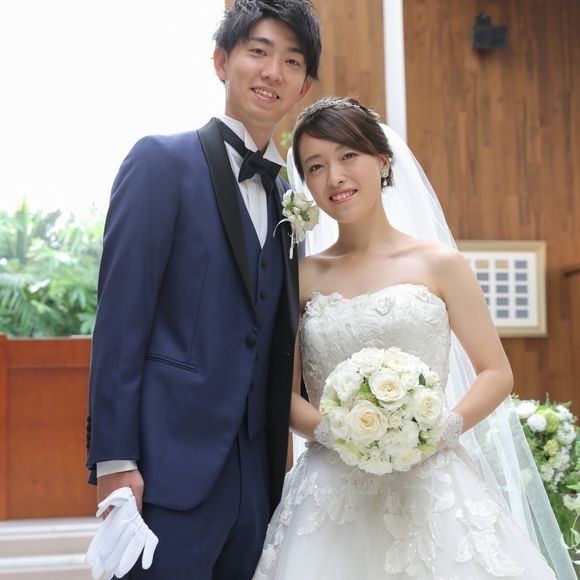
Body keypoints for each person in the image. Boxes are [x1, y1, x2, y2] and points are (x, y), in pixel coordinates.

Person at [252, 97, 576, 579]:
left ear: (383, 161)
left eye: (348, 156)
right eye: (315, 166)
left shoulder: (440, 264)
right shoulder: (301, 276)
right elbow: (283, 391)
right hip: (331, 490)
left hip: (432, 479)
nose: (335, 177)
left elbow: (496, 372)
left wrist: (437, 431)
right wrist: (336, 434)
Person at [85, 1, 321, 578]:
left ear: (305, 87)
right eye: (258, 51)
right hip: (165, 471)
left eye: (292, 61)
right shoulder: (161, 161)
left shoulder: (290, 195)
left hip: (259, 478)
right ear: (221, 61)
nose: (273, 71)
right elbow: (120, 321)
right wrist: (115, 461)